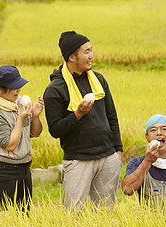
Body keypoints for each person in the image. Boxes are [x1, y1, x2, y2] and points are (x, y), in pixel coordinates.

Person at [43, 30, 123, 213]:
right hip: (78, 160)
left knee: (104, 214)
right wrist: (77, 114)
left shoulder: (99, 80)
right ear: (72, 57)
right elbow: (55, 130)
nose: (91, 56)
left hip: (108, 157)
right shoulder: (55, 89)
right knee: (74, 214)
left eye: (91, 50)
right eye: (86, 52)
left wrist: (117, 151)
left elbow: (112, 115)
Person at [0, 65, 44, 215]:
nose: (18, 90)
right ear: (0, 89)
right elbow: (9, 145)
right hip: (3, 172)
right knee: (1, 221)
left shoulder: (19, 103)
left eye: (19, 86)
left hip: (24, 169)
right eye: (14, 87)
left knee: (24, 218)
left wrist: (35, 115)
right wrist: (20, 118)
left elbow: (35, 133)